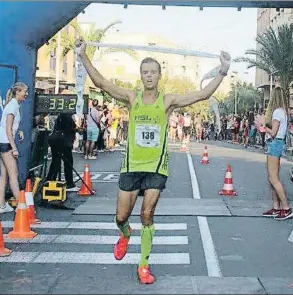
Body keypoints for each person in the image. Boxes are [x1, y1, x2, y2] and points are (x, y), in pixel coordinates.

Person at [75, 37, 231, 284]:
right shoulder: (131, 97)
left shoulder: (167, 101)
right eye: (145, 72)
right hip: (131, 166)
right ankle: (125, 235)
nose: (148, 76)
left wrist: (222, 71)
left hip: (156, 168)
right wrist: (83, 55)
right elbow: (101, 83)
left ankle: (143, 265)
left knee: (147, 214)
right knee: (121, 217)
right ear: (141, 76)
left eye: (153, 72)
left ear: (159, 76)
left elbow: (202, 94)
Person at [0, 82, 28, 213]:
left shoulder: (12, 105)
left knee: (4, 175)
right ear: (18, 91)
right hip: (5, 143)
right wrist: (14, 148)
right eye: (25, 91)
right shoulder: (12, 106)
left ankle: (2, 205)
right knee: (14, 175)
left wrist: (18, 131)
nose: (26, 94)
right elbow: (8, 129)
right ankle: (21, 206)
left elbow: (8, 126)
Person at [261, 102, 292, 220]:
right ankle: (276, 207)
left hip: (275, 144)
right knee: (272, 178)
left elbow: (273, 132)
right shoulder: (282, 112)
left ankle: (286, 208)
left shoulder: (277, 112)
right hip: (276, 143)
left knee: (274, 178)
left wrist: (263, 125)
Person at [46, 113, 79, 192]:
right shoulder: (66, 116)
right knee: (68, 162)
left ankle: (50, 180)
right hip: (63, 141)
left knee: (56, 161)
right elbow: (67, 128)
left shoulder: (61, 116)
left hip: (56, 139)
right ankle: (69, 183)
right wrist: (77, 129)